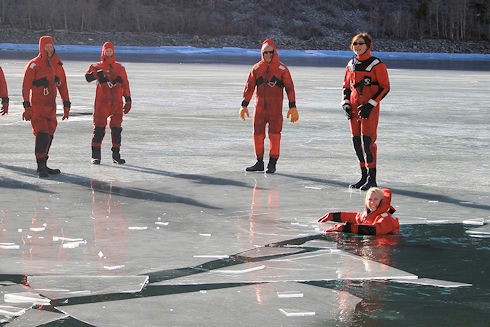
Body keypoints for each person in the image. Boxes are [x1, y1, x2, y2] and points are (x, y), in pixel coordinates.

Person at [239, 39, 298, 174]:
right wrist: (244, 105)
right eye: (265, 52)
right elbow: (249, 87)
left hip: (275, 110)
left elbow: (290, 88)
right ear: (262, 53)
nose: (268, 55)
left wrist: (292, 106)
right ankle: (259, 162)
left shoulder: (282, 69)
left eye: (270, 52)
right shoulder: (256, 68)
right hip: (259, 109)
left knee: (275, 135)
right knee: (257, 135)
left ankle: (272, 163)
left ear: (274, 52)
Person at [341, 33, 390, 190]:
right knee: (356, 142)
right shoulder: (350, 64)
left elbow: (385, 87)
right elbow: (346, 87)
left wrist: (370, 104)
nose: (357, 46)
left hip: (369, 110)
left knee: (368, 142)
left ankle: (372, 178)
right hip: (354, 110)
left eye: (361, 43)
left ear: (368, 45)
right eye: (355, 43)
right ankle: (363, 176)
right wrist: (345, 104)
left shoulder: (376, 64)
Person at [22, 36, 71, 178]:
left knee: (49, 135)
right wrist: (27, 105)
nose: (49, 49)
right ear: (41, 48)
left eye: (50, 46)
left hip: (51, 107)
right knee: (42, 134)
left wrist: (66, 104)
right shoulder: (34, 65)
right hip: (38, 106)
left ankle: (44, 162)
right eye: (46, 46)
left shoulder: (58, 64)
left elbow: (63, 86)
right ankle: (40, 167)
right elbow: (25, 87)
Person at [85, 42, 131, 165]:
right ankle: (95, 156)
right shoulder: (96, 65)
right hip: (102, 103)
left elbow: (125, 84)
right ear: (103, 52)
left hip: (116, 102)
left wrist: (128, 99)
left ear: (113, 52)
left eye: (111, 51)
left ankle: (116, 155)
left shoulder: (119, 67)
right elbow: (87, 78)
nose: (109, 53)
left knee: (116, 129)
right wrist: (98, 74)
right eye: (107, 51)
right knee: (99, 128)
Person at [318, 187, 399, 235]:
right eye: (369, 199)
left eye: (376, 199)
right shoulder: (369, 214)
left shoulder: (386, 218)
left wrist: (344, 228)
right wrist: (333, 216)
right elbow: (355, 217)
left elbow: (374, 230)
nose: (372, 202)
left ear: (382, 201)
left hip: (386, 248)